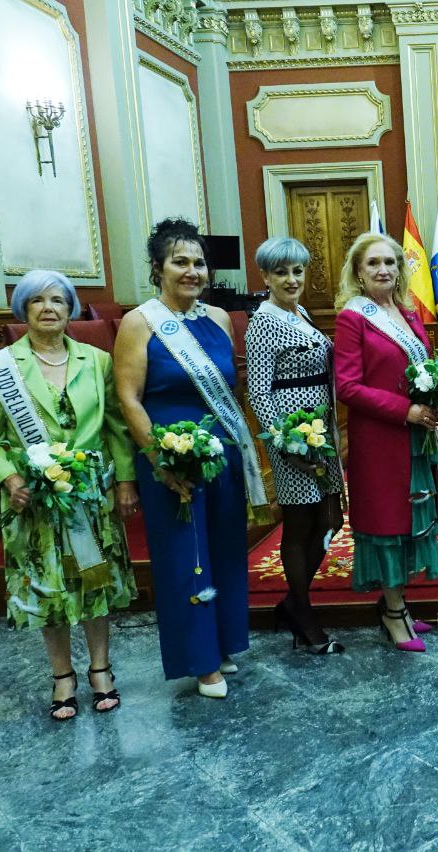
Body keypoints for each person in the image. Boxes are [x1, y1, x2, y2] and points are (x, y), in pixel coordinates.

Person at [0, 270, 139, 720]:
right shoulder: (2, 367)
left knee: (95, 582)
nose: (49, 308)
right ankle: (62, 674)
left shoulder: (97, 360)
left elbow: (116, 429)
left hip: (88, 495)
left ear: (71, 309)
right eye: (37, 301)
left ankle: (101, 668)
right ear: (23, 310)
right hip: (33, 500)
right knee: (50, 589)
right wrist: (9, 479)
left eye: (58, 300)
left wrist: (125, 481)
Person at [114, 218, 268, 699]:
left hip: (220, 452)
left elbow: (228, 388)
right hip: (170, 458)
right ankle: (199, 662)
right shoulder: (139, 323)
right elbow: (129, 398)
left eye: (199, 262)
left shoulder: (219, 319)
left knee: (224, 550)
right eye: (180, 261)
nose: (192, 271)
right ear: (157, 268)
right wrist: (159, 459)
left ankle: (221, 643)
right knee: (186, 557)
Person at [333, 232, 438, 652]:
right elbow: (348, 386)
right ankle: (393, 613)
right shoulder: (352, 318)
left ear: (401, 269)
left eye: (390, 262)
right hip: (379, 438)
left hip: (414, 438)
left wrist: (434, 397)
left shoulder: (408, 314)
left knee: (410, 518)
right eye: (373, 263)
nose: (383, 270)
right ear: (358, 274)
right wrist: (405, 410)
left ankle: (401, 605)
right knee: (387, 522)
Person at [245, 237, 346, 655]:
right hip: (292, 437)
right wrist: (285, 444)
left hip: (319, 432)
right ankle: (303, 613)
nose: (291, 279)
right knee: (302, 524)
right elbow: (258, 391)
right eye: (281, 272)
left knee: (330, 519)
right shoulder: (263, 322)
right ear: (265, 276)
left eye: (298, 271)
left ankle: (292, 603)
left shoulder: (300, 313)